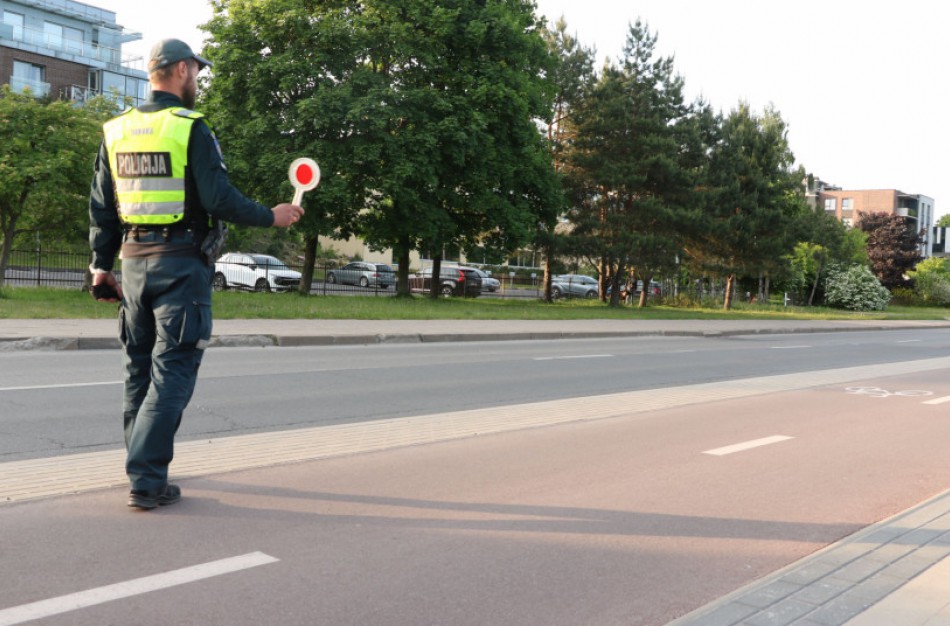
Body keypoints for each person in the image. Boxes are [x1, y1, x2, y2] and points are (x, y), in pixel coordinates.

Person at [88, 39, 304, 510]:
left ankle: (145, 468)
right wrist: (273, 216)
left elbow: (102, 210)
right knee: (173, 372)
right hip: (180, 266)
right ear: (182, 69)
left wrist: (101, 268)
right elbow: (219, 198)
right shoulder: (191, 127)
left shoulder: (116, 130)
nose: (198, 81)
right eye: (197, 73)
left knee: (138, 371)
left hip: (132, 263)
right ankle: (145, 480)